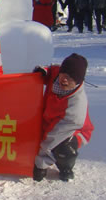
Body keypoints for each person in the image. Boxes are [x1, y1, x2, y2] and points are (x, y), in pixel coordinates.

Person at [32, 53, 94, 182]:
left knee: (63, 148)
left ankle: (65, 166)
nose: (65, 80)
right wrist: (42, 72)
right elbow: (51, 69)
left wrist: (41, 164)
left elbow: (53, 138)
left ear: (78, 82)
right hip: (48, 124)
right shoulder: (57, 75)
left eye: (70, 78)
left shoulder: (76, 107)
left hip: (73, 132)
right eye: (63, 75)